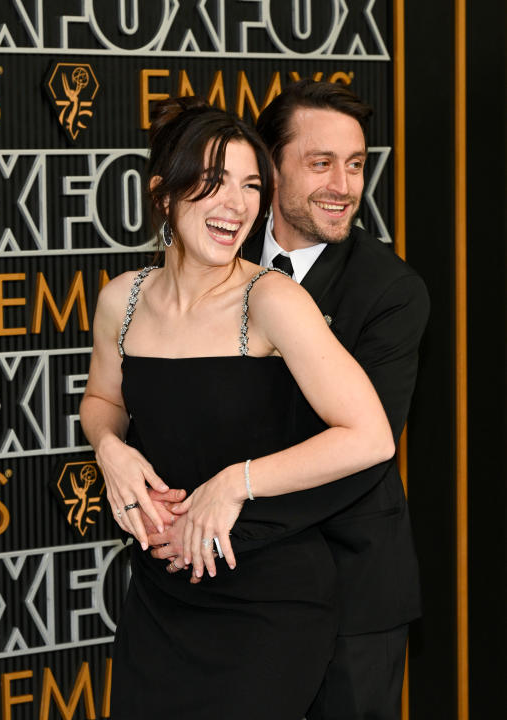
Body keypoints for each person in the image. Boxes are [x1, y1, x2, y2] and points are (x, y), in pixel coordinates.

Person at [80, 96, 395, 719]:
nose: (237, 203)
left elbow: (369, 436)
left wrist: (236, 483)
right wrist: (110, 448)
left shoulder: (272, 300)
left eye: (251, 184)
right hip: (160, 597)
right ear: (164, 194)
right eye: (214, 181)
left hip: (267, 601)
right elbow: (102, 400)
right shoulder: (122, 300)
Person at [146, 81, 430, 720]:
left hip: (351, 593)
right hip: (225, 591)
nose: (344, 184)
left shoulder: (391, 290)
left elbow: (363, 452)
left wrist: (213, 516)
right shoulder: (216, 243)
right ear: (268, 168)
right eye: (321, 162)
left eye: (356, 164)